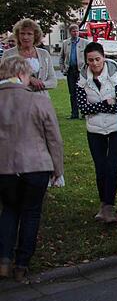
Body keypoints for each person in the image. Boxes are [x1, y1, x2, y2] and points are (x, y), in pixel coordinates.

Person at [0, 57, 64, 282]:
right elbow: (54, 138)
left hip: (4, 168)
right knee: (31, 212)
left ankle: (4, 260)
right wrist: (58, 169)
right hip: (36, 166)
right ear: (22, 75)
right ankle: (22, 264)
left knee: (9, 210)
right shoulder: (38, 101)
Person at [75, 42, 117, 223]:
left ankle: (109, 206)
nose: (95, 63)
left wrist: (95, 107)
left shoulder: (115, 75)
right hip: (95, 130)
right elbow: (83, 107)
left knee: (112, 167)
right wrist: (106, 103)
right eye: (91, 60)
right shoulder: (82, 80)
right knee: (100, 168)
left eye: (97, 59)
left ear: (103, 57)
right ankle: (103, 204)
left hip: (116, 128)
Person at [4, 19, 56, 95]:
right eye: (22, 33)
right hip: (17, 100)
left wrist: (39, 84)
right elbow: (4, 79)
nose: (25, 37)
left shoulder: (44, 54)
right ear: (18, 35)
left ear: (35, 36)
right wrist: (29, 79)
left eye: (29, 34)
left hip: (41, 101)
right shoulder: (9, 54)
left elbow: (53, 81)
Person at [60, 24, 90, 119]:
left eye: (77, 31)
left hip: (81, 71)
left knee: (83, 92)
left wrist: (87, 69)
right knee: (72, 93)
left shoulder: (85, 43)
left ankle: (85, 112)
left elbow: (89, 57)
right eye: (73, 31)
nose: (75, 33)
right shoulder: (65, 43)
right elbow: (61, 57)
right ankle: (74, 113)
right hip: (70, 71)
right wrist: (63, 68)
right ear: (70, 32)